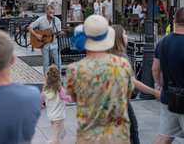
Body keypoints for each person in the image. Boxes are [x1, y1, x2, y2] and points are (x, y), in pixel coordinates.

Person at [67, 15, 133, 144]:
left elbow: (76, 99)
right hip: (118, 136)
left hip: (88, 138)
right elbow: (127, 97)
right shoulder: (123, 64)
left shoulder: (74, 70)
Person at [109, 24, 160, 144]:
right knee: (133, 133)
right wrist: (154, 91)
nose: (127, 36)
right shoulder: (122, 57)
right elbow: (133, 81)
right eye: (125, 34)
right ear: (118, 38)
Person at [152, 7, 184, 144]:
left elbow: (155, 69)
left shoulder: (162, 42)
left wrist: (159, 84)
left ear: (174, 21)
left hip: (168, 97)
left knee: (164, 136)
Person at [28, 4, 64, 75]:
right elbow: (29, 27)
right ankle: (46, 80)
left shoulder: (57, 20)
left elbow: (59, 32)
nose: (52, 14)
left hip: (54, 44)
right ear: (46, 11)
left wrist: (61, 33)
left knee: (59, 63)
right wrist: (37, 35)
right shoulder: (41, 19)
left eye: (53, 13)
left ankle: (60, 80)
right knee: (46, 63)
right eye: (50, 12)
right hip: (44, 45)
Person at [41, 64, 73, 144]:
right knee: (57, 136)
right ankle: (55, 141)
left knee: (63, 130)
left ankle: (55, 140)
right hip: (59, 117)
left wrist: (40, 106)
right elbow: (68, 98)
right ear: (58, 78)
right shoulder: (60, 90)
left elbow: (40, 101)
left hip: (51, 116)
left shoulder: (45, 91)